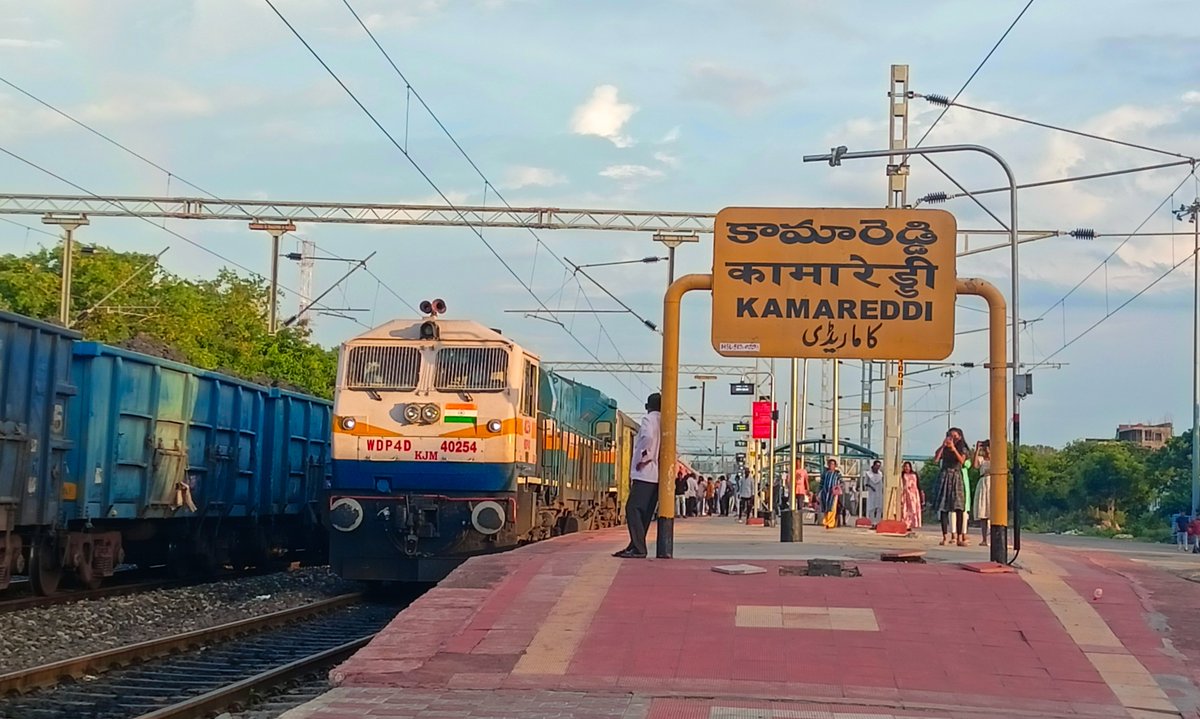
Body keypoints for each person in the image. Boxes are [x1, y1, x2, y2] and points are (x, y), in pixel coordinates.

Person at [615, 392, 661, 559]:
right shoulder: (665, 421)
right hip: (656, 476)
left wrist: (644, 457)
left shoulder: (649, 419)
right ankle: (634, 545)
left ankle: (639, 548)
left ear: (648, 406)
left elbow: (648, 436)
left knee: (632, 508)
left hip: (645, 473)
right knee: (645, 512)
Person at [933, 427, 970, 547]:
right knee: (943, 507)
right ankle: (944, 536)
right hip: (945, 475)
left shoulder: (962, 447)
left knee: (958, 507)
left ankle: (959, 536)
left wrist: (954, 449)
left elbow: (962, 461)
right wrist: (943, 446)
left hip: (956, 475)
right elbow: (936, 459)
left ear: (959, 436)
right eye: (950, 436)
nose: (952, 438)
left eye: (955, 436)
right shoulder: (945, 447)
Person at [973, 442, 992, 546]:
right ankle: (984, 539)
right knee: (983, 512)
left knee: (992, 511)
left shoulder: (996, 458)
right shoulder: (981, 459)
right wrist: (977, 450)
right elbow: (975, 465)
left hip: (992, 483)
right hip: (983, 482)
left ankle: (993, 538)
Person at [819, 458, 842, 529]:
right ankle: (825, 521)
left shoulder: (837, 474)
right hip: (825, 493)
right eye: (830, 464)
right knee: (825, 507)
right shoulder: (825, 474)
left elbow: (841, 482)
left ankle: (831, 523)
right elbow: (821, 483)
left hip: (833, 494)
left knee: (832, 508)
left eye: (833, 464)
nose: (831, 465)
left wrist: (837, 487)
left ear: (835, 465)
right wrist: (819, 492)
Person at [900, 460, 922, 531]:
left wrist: (921, 494)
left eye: (908, 467)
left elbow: (918, 485)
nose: (906, 468)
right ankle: (906, 524)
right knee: (905, 509)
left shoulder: (914, 474)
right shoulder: (902, 475)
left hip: (914, 495)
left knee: (913, 509)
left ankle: (913, 524)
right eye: (905, 467)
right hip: (906, 494)